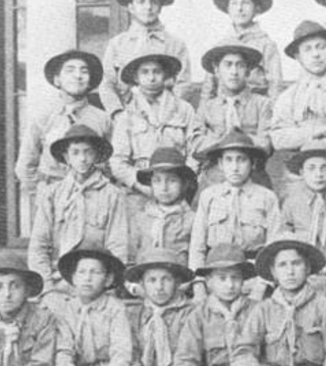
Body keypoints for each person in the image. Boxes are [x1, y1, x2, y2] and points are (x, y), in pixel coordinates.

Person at [28, 125, 129, 305]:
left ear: (97, 155)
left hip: (98, 284)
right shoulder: (52, 194)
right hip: (58, 283)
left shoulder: (113, 195)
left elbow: (118, 245)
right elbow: (38, 246)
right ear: (66, 157)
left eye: (88, 152)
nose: (82, 159)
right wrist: (47, 289)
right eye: (75, 153)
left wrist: (109, 286)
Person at [270, 20, 326, 193]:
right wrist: (322, 131)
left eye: (320, 47)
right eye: (308, 49)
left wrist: (301, 138)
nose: (316, 54)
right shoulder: (288, 97)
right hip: (296, 177)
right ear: (298, 56)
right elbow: (279, 139)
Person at [188, 131, 282, 300]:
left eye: (242, 159)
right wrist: (199, 285)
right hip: (216, 277)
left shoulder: (267, 197)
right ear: (220, 164)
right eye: (229, 160)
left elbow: (273, 247)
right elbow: (197, 246)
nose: (235, 166)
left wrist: (261, 286)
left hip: (253, 278)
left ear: (252, 163)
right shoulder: (209, 196)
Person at [233, 238, 326, 366]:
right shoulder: (263, 310)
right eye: (282, 265)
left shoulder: (325, 306)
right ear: (273, 272)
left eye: (296, 263)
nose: (290, 272)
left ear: (307, 268)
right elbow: (244, 352)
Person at [15, 50, 111, 198]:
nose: (78, 76)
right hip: (53, 197)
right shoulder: (43, 118)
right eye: (70, 70)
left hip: (94, 198)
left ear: (90, 81)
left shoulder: (103, 119)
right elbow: (25, 166)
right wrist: (44, 197)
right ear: (57, 80)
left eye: (83, 71)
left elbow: (113, 165)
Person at [109, 52, 195, 214]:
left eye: (157, 71)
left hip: (178, 190)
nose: (151, 78)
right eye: (145, 72)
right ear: (136, 77)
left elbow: (194, 152)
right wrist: (141, 185)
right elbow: (117, 162)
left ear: (166, 75)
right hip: (139, 193)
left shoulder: (184, 110)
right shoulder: (127, 115)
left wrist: (182, 184)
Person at [100, 0, 191, 115]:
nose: (148, 7)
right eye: (141, 1)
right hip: (127, 117)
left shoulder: (175, 44)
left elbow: (183, 84)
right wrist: (117, 113)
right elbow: (107, 85)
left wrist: (170, 112)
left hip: (166, 116)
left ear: (160, 7)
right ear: (131, 7)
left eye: (153, 2)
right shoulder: (117, 45)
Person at [189, 43, 273, 193]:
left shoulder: (262, 104)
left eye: (240, 66)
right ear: (217, 70)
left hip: (254, 180)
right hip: (214, 180)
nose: (234, 72)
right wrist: (227, 137)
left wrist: (218, 139)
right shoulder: (207, 107)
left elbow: (266, 145)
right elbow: (196, 147)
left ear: (248, 71)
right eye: (228, 65)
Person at [0, 257, 74, 366]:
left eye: (15, 286)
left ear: (27, 291)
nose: (7, 294)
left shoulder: (43, 320)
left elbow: (42, 362)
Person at [174, 243, 259, 366]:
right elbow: (186, 359)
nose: (230, 285)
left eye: (235, 277)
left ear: (243, 280)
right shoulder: (199, 316)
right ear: (209, 282)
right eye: (222, 278)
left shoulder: (258, 311)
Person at [51, 246, 134, 366]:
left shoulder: (116, 309)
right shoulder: (67, 309)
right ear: (74, 278)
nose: (87, 278)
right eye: (82, 272)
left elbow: (121, 351)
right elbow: (64, 350)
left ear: (108, 280)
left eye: (95, 272)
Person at [280, 144, 326, 272]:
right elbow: (283, 240)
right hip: (301, 272)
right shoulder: (292, 203)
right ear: (302, 173)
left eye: (325, 168)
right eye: (311, 168)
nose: (318, 174)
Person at [204, 0, 283, 99]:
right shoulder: (220, 46)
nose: (239, 8)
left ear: (256, 8)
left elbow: (275, 87)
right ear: (228, 9)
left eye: (245, 3)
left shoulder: (266, 44)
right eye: (234, 3)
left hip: (256, 109)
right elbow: (208, 89)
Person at [124, 248, 195, 366]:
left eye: (166, 279)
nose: (159, 287)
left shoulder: (190, 314)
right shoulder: (135, 315)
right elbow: (132, 353)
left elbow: (188, 356)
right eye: (152, 280)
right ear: (142, 284)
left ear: (177, 282)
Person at [128, 148, 196, 267]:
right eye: (157, 181)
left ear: (184, 183)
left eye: (172, 181)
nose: (164, 188)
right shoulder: (140, 218)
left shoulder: (192, 219)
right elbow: (130, 256)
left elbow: (195, 257)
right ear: (151, 184)